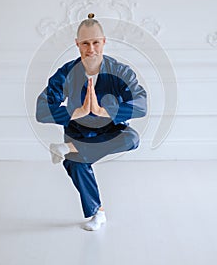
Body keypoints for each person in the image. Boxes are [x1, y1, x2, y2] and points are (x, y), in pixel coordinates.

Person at [36, 14, 147, 231]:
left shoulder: (120, 71)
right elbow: (41, 109)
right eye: (85, 43)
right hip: (78, 131)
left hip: (110, 131)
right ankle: (98, 213)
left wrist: (103, 111)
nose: (91, 48)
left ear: (104, 41)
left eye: (96, 42)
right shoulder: (66, 72)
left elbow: (141, 104)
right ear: (77, 44)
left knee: (132, 138)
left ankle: (69, 149)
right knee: (77, 164)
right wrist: (73, 113)